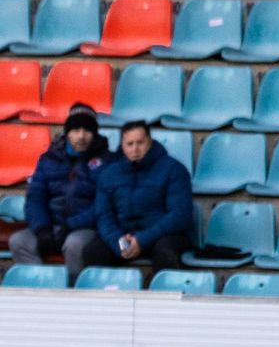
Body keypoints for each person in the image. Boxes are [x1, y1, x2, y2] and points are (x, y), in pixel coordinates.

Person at [77, 121, 194, 282]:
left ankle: (165, 303)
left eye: (140, 142)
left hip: (162, 235)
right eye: (129, 144)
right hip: (124, 236)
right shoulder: (109, 174)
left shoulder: (174, 170)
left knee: (165, 251)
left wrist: (142, 239)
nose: (135, 149)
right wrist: (118, 242)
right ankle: (109, 300)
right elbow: (104, 216)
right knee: (94, 251)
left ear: (150, 142)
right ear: (122, 146)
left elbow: (180, 215)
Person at [11, 108, 112, 272]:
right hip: (51, 226)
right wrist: (42, 229)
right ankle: (40, 285)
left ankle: (73, 292)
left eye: (87, 130)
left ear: (94, 134)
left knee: (74, 244)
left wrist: (70, 226)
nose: (81, 136)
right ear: (67, 133)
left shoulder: (107, 161)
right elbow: (35, 198)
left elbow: (103, 205)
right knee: (19, 241)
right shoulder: (48, 159)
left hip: (85, 228)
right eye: (76, 130)